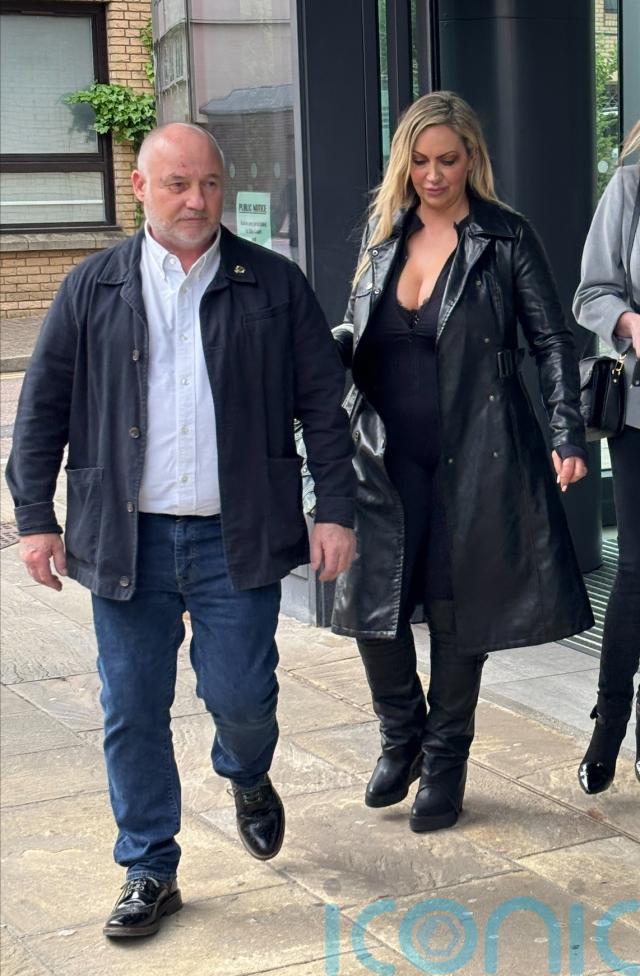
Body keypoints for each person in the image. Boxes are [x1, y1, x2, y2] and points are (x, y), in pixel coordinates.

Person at [6, 123, 356, 938]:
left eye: (209, 184)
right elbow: (42, 406)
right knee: (132, 706)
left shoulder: (272, 283)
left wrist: (336, 508)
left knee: (242, 696)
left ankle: (246, 771)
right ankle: (148, 866)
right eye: (177, 184)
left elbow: (323, 405)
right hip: (125, 539)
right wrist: (35, 519)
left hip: (238, 536)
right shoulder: (92, 286)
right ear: (140, 188)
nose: (196, 200)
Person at [330, 91, 594, 833]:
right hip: (379, 454)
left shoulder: (505, 236)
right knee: (372, 607)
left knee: (456, 611)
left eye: (447, 160)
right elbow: (360, 326)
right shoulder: (384, 235)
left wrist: (567, 433)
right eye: (420, 161)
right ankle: (401, 735)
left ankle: (444, 764)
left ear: (472, 157)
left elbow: (553, 340)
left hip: (477, 454)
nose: (433, 175)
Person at [573, 119, 640, 793]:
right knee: (638, 570)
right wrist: (630, 323)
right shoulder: (632, 186)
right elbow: (592, 291)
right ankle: (608, 725)